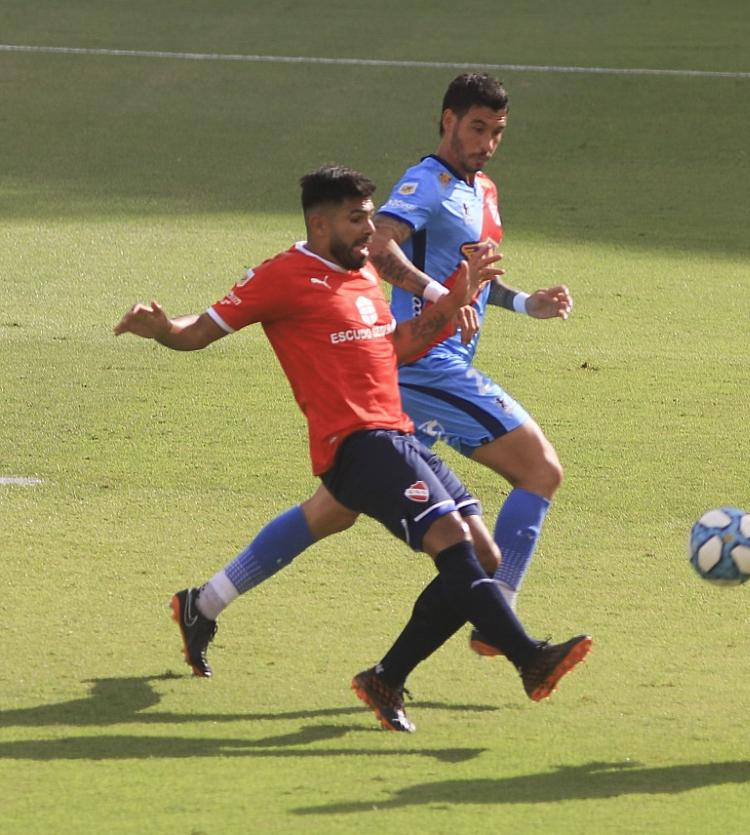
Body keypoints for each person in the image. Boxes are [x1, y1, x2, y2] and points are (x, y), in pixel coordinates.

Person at [114, 164, 591, 732]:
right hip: (357, 444)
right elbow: (199, 332)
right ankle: (529, 658)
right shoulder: (281, 276)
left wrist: (456, 298)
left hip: (397, 435)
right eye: (357, 219)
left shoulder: (363, 271)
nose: (371, 230)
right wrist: (165, 329)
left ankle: (383, 677)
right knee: (450, 542)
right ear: (320, 224)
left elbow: (397, 346)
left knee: (483, 556)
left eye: (369, 217)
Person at [367, 73, 572, 657]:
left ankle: (206, 600)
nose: (486, 141)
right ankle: (497, 615)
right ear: (447, 119)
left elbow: (475, 282)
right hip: (423, 365)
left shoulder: (484, 191)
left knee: (332, 513)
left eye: (498, 132)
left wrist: (523, 302)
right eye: (477, 127)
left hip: (426, 369)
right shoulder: (424, 182)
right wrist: (438, 296)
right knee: (540, 470)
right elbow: (377, 247)